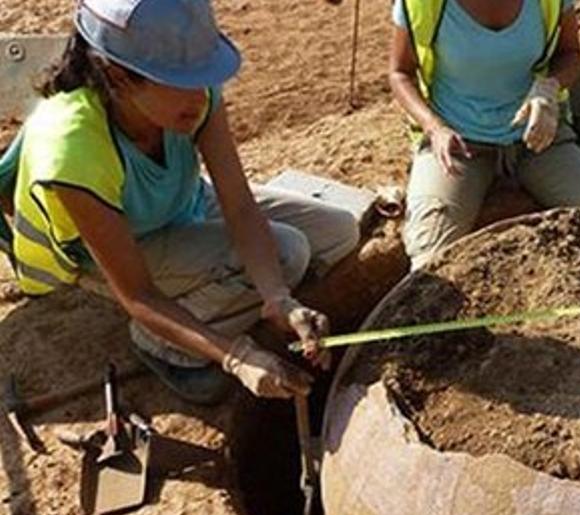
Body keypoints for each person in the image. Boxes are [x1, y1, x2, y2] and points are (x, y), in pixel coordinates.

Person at [0, 0, 359, 404]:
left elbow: (239, 205)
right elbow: (138, 296)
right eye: (181, 80)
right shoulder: (72, 147)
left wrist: (279, 300)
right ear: (118, 77)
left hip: (179, 204)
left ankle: (242, 303)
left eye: (202, 76)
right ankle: (160, 344)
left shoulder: (193, 97)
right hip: (108, 251)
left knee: (338, 231)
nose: (200, 92)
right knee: (290, 251)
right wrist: (235, 357)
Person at [389, 0, 580, 270]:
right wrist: (434, 127)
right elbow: (400, 73)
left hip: (537, 135)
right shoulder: (421, 5)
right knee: (428, 262)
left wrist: (548, 88)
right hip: (457, 144)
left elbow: (570, 54)